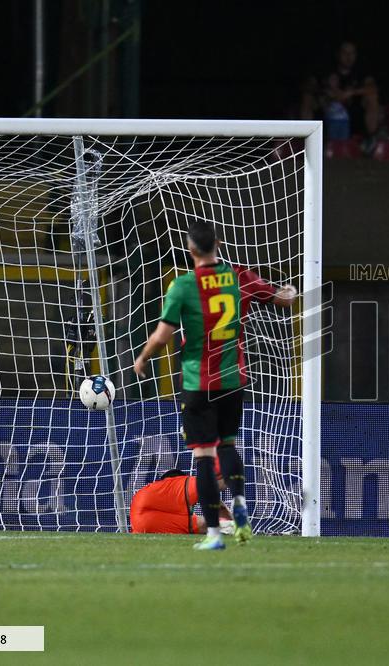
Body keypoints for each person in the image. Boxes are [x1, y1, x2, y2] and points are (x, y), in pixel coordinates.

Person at [134, 221, 297, 550]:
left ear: (190, 249)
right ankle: (239, 504)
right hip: (233, 379)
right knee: (229, 446)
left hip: (199, 382)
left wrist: (143, 358)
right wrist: (291, 290)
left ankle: (213, 534)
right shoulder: (240, 276)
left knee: (205, 457)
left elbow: (163, 335)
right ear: (218, 244)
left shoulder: (183, 285)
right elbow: (283, 299)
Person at [299, 41, 380, 139]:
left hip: (352, 113)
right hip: (326, 110)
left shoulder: (360, 71)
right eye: (345, 53)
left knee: (372, 97)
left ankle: (371, 138)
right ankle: (306, 138)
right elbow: (306, 86)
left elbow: (373, 87)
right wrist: (326, 91)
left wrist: (350, 93)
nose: (349, 57)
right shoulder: (325, 69)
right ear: (338, 54)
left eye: (352, 53)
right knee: (307, 97)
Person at [130, 468, 234, 535]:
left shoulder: (155, 493)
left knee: (202, 525)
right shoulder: (177, 484)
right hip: (144, 513)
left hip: (138, 526)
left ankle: (231, 527)